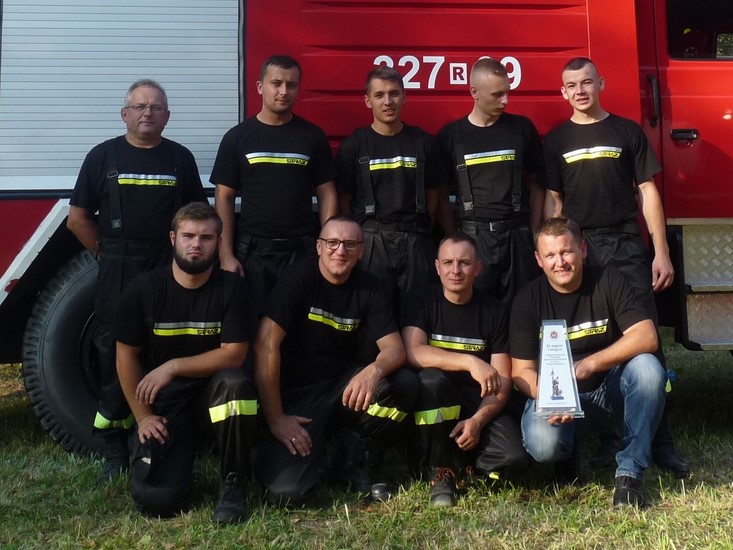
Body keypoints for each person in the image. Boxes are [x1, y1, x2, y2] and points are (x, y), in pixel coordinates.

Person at [541, 57, 688, 476]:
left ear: (601, 83)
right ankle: (610, 438)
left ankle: (661, 441)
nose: (580, 90)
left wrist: (660, 250)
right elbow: (554, 203)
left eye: (587, 82)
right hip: (580, 250)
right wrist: (552, 256)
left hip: (625, 245)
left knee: (646, 342)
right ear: (563, 92)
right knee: (596, 337)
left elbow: (647, 191)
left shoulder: (627, 131)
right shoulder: (556, 140)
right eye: (572, 85)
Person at [67, 79, 206, 482]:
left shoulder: (180, 159)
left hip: (167, 266)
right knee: (115, 352)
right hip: (120, 268)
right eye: (140, 106)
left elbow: (197, 218)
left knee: (166, 347)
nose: (148, 113)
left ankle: (165, 436)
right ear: (124, 113)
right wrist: (109, 254)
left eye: (156, 107)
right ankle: (115, 449)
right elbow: (77, 220)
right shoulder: (102, 156)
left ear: (167, 116)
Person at [253, 215, 419, 505]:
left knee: (404, 384)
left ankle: (352, 456)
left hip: (344, 387)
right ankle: (281, 451)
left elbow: (395, 349)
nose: (340, 251)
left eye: (349, 244)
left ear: (361, 251)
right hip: (298, 395)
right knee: (288, 493)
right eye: (332, 243)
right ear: (319, 247)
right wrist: (276, 419)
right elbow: (265, 346)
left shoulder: (372, 287)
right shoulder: (297, 278)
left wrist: (374, 370)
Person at [115, 203, 257, 523]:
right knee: (157, 502)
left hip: (214, 396)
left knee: (236, 385)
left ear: (219, 242)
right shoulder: (143, 289)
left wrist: (173, 366)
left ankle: (233, 482)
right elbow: (125, 357)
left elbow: (234, 354)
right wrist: (143, 417)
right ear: (173, 238)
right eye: (188, 236)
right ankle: (173, 461)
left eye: (206, 237)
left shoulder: (234, 289)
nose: (196, 244)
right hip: (167, 403)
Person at [510, 217, 666, 507]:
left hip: (607, 392)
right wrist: (551, 399)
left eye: (566, 251)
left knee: (648, 369)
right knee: (543, 445)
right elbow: (521, 372)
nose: (560, 262)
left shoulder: (609, 280)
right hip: (557, 400)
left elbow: (647, 336)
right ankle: (567, 451)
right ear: (539, 260)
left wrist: (590, 364)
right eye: (550, 255)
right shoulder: (527, 300)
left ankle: (630, 473)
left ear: (582, 250)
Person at [402, 234, 528, 507]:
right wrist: (470, 362)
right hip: (435, 400)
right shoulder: (421, 300)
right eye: (448, 263)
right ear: (437, 267)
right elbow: (413, 352)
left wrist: (478, 422)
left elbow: (503, 380)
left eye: (464, 263)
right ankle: (441, 470)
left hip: (478, 402)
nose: (455, 270)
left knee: (513, 458)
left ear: (478, 268)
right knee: (431, 380)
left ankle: (466, 463)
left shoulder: (495, 311)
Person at [211, 54, 338, 318]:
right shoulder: (237, 137)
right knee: (253, 326)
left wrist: (327, 247)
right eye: (276, 83)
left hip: (301, 250)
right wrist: (226, 255)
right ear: (260, 87)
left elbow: (327, 194)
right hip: (252, 252)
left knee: (301, 325)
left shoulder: (312, 136)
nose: (283, 91)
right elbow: (224, 197)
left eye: (291, 85)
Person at [429, 57, 544, 306]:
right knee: (476, 311)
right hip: (473, 240)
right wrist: (454, 240)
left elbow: (539, 184)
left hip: (517, 239)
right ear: (475, 92)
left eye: (507, 92)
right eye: (497, 94)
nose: (506, 101)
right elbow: (440, 198)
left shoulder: (522, 129)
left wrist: (535, 231)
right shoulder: (451, 136)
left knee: (523, 309)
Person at [336, 65, 451, 303]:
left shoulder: (424, 143)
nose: (388, 102)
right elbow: (344, 202)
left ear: (404, 96)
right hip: (370, 244)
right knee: (373, 312)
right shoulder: (353, 146)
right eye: (379, 95)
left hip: (416, 242)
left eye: (394, 93)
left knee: (419, 313)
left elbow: (435, 197)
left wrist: (417, 231)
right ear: (367, 101)